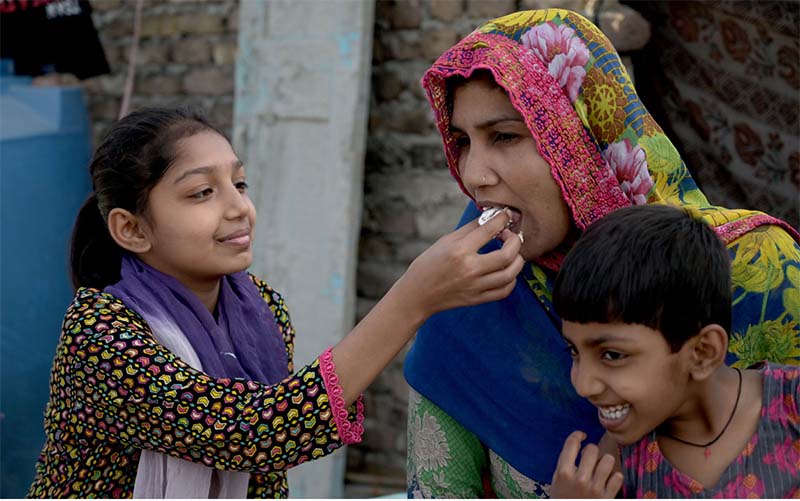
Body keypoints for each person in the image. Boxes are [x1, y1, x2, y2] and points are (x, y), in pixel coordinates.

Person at [27, 107, 524, 498]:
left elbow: (265, 477)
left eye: (238, 184)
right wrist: (412, 298)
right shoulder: (101, 329)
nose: (239, 207)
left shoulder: (259, 308)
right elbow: (248, 433)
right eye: (202, 192)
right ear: (131, 229)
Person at [403, 8, 800, 498]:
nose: (474, 174)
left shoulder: (759, 272)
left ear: (579, 138)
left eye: (504, 136)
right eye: (462, 142)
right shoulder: (468, 290)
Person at [550, 204, 799, 498]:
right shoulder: (619, 466)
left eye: (612, 355)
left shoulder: (790, 404)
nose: (582, 384)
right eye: (574, 352)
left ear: (703, 352)